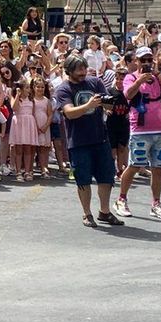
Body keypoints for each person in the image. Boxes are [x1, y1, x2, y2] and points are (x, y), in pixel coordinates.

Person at [53, 54, 117, 227]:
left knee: (106, 176)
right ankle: (87, 213)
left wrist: (110, 101)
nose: (83, 72)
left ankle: (105, 211)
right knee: (83, 179)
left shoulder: (95, 83)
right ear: (69, 70)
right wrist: (88, 105)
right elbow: (69, 112)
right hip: (79, 140)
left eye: (84, 68)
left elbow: (108, 104)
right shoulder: (63, 89)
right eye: (78, 69)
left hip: (100, 137)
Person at [118, 47, 161, 221]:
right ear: (136, 61)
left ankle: (156, 203)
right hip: (140, 129)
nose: (146, 63)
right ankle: (121, 198)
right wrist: (139, 81)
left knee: (158, 168)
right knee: (135, 165)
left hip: (160, 128)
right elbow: (128, 94)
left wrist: (158, 74)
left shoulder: (157, 77)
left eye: (149, 60)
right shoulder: (131, 77)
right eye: (142, 60)